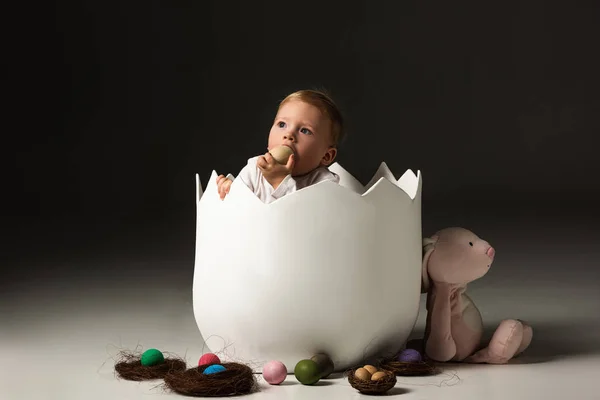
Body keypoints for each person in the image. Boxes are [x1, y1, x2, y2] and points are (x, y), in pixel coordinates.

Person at [216, 89, 346, 203]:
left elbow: (306, 220)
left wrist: (280, 182)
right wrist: (230, 190)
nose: (289, 134)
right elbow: (240, 211)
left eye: (305, 130)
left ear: (326, 155)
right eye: (282, 124)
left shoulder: (324, 183)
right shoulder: (255, 169)